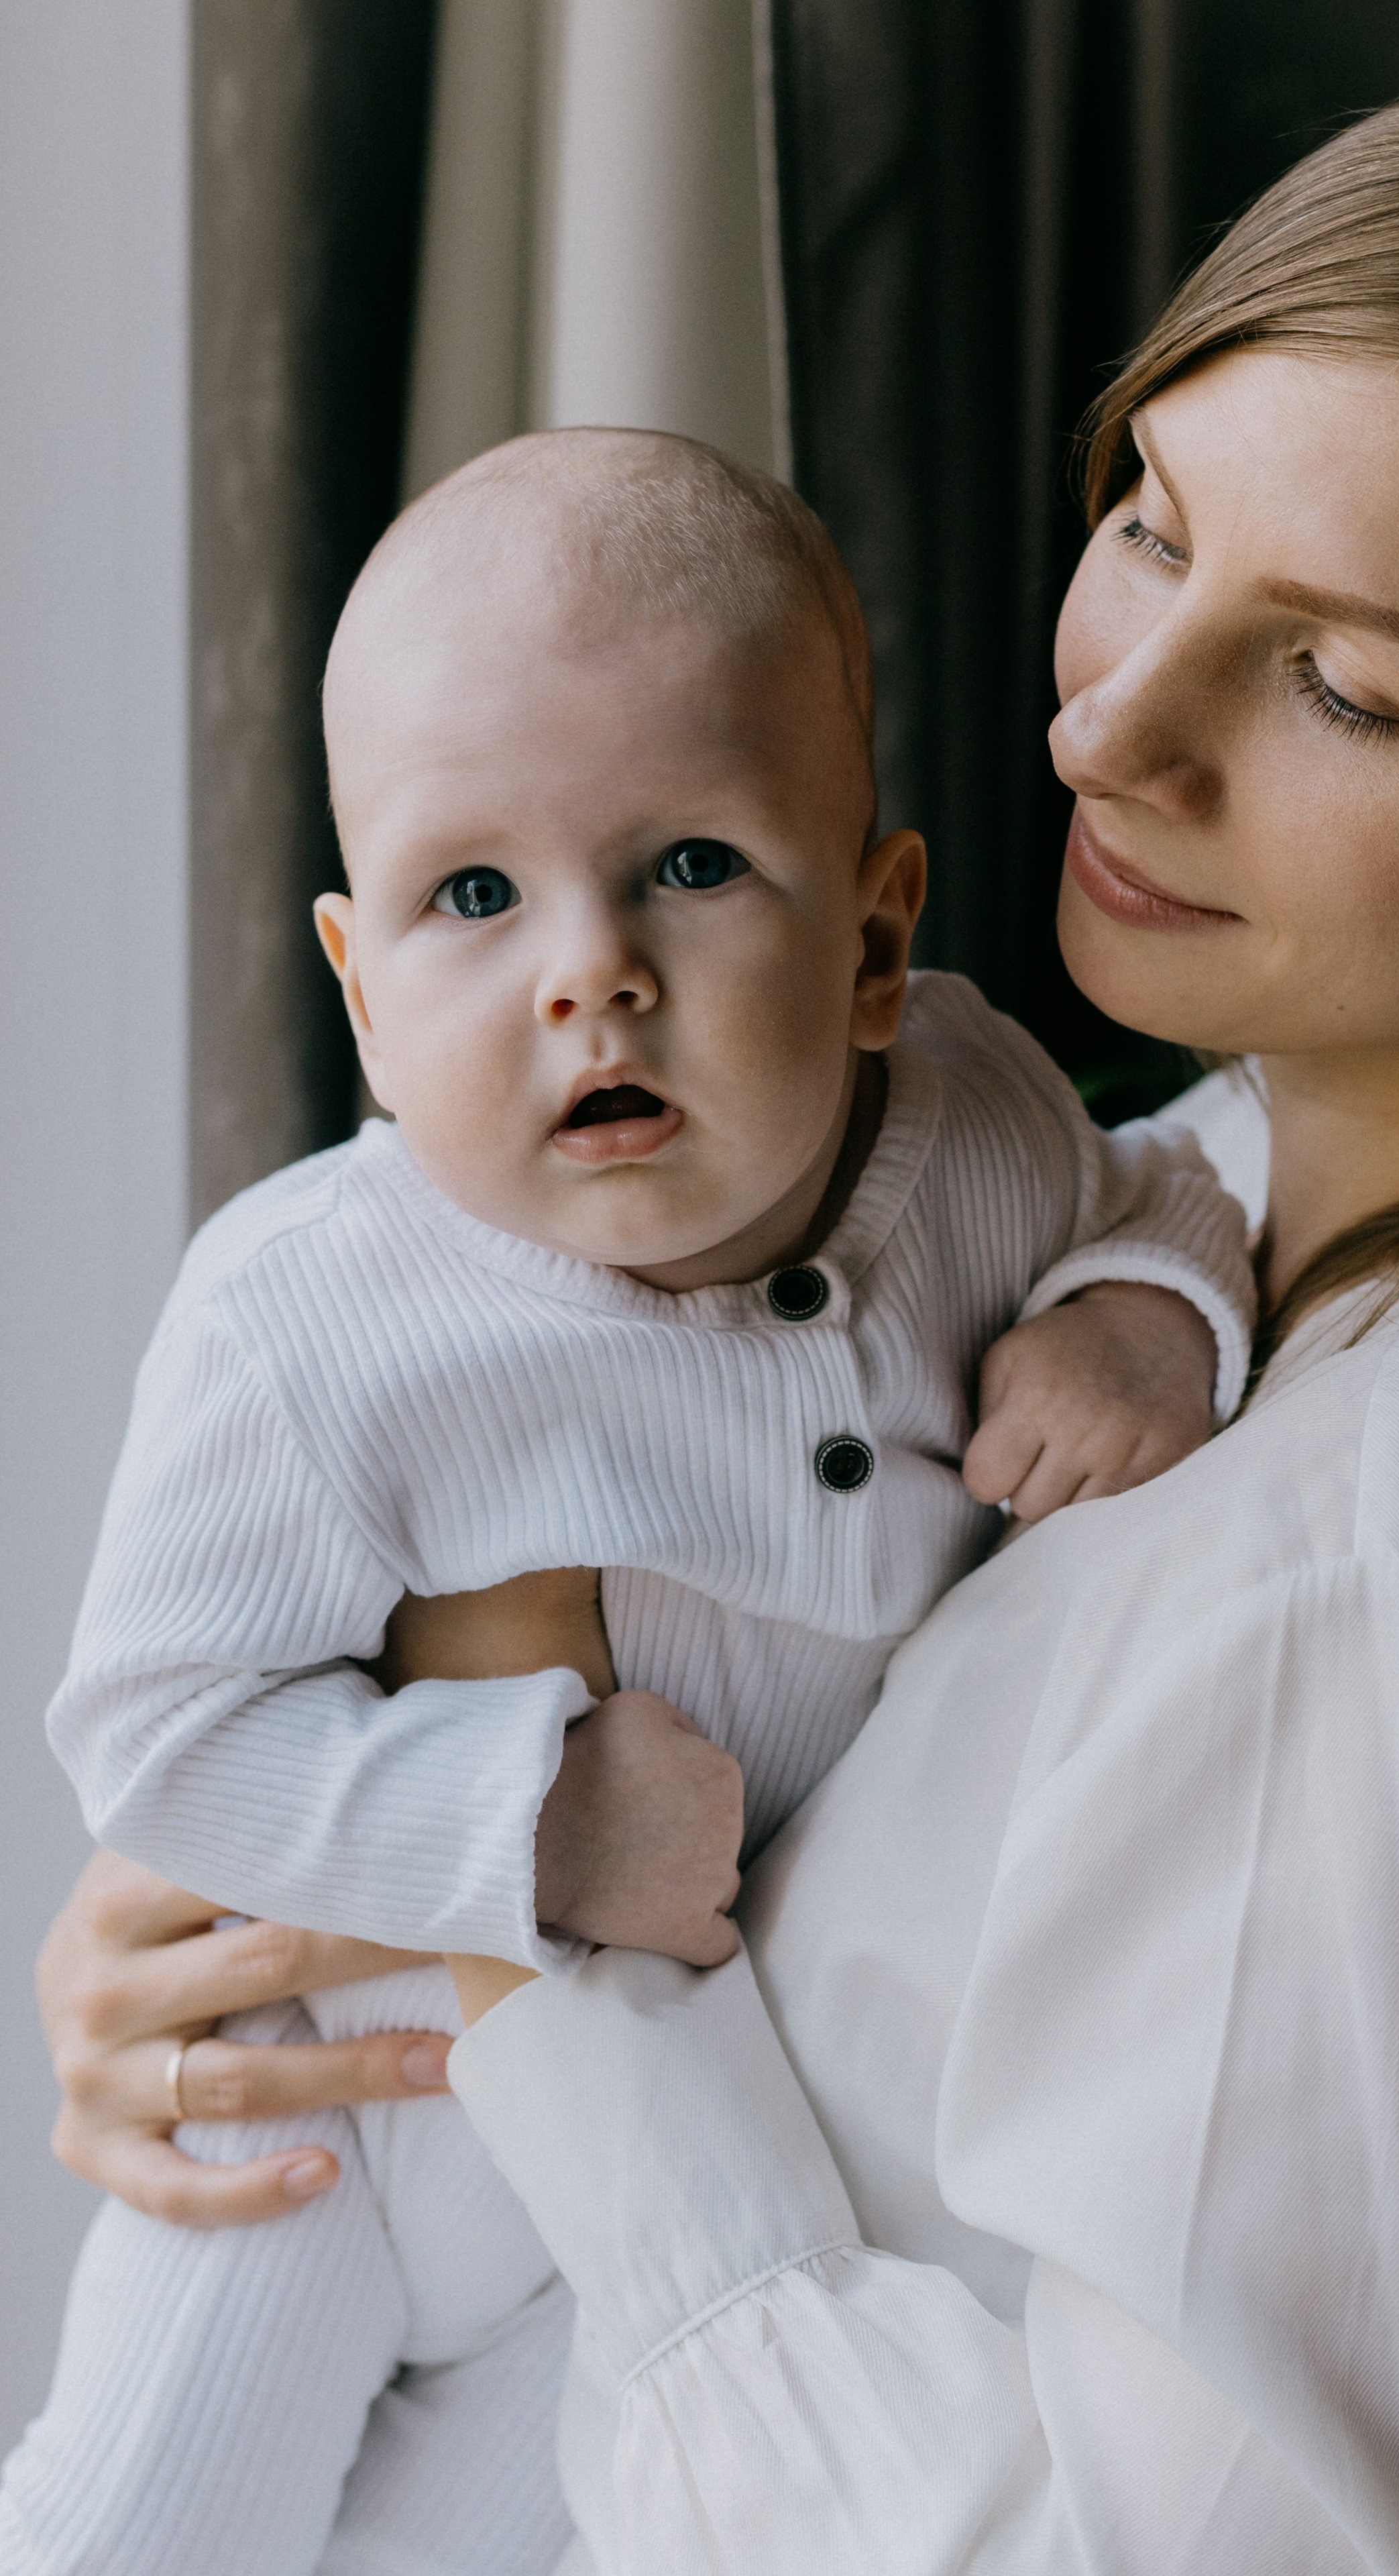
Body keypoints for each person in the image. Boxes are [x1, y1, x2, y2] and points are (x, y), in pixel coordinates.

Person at [26, 26, 1399, 2573]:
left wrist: (553, 1994)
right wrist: (326, 1910)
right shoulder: (1219, 1173)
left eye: (1347, 684)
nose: (1109, 719)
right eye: (1151, 517)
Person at [0, 433, 1253, 2576]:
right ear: (364, 994)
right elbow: (153, 1727)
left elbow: (1177, 1198)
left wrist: (1148, 1318)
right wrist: (536, 1816)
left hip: (653, 2164)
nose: (591, 969)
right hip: (358, 2104)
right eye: (471, 897)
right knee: (135, 2536)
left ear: (876, 937)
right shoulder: (312, 1318)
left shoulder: (976, 1123)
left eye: (690, 863)